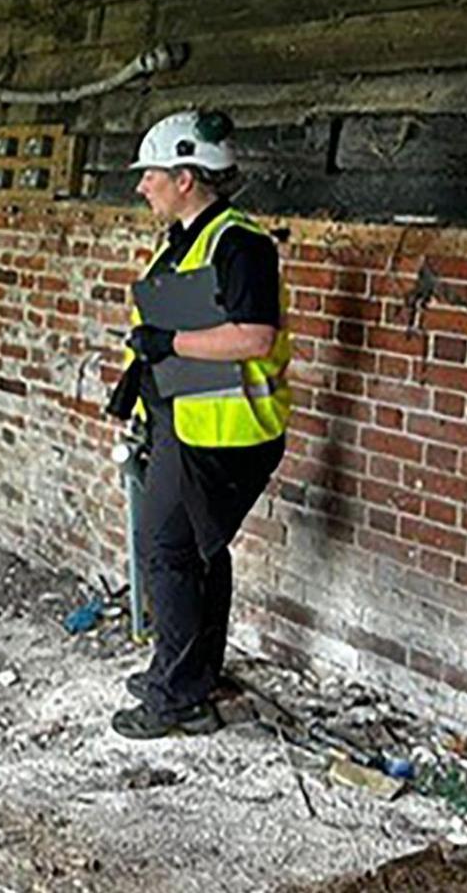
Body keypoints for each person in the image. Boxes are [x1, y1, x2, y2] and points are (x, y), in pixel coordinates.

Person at [113, 110, 293, 740]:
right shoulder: (185, 239)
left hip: (225, 432)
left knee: (171, 552)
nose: (142, 187)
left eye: (152, 175)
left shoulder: (241, 245)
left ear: (186, 177)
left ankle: (178, 696)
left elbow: (252, 336)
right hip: (183, 423)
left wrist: (171, 340)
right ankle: (193, 672)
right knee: (198, 551)